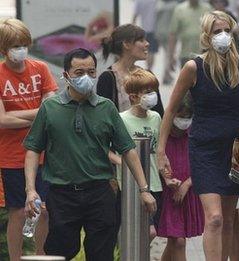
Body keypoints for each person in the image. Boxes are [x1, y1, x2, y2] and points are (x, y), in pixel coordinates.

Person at [23, 48, 156, 261]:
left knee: (101, 254)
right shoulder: (50, 108)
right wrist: (31, 190)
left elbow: (128, 150)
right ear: (66, 75)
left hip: (100, 192)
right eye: (79, 72)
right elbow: (32, 149)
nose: (86, 77)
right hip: (62, 194)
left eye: (91, 71)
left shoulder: (106, 107)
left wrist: (144, 189)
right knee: (60, 252)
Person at [156, 11, 239, 260]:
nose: (223, 36)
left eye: (227, 30)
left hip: (234, 147)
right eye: (217, 31)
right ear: (207, 35)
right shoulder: (194, 67)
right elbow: (170, 108)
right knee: (213, 218)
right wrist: (161, 151)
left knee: (228, 219)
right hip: (204, 147)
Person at [0, 18, 58, 261]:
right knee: (18, 213)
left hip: (45, 154)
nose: (21, 49)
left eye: (24, 43)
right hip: (12, 156)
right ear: (3, 49)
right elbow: (2, 121)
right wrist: (38, 116)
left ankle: (41, 256)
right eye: (15, 45)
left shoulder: (41, 69)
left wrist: (16, 115)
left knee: (45, 211)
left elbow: (52, 107)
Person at [116, 68, 163, 240]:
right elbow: (108, 150)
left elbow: (158, 150)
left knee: (150, 233)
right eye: (147, 92)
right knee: (142, 232)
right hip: (129, 185)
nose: (153, 95)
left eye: (154, 90)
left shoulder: (156, 117)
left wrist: (166, 174)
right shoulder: (120, 119)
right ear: (133, 96)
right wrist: (123, 163)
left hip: (155, 183)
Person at [158, 94, 204, 261]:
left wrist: (186, 184)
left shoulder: (193, 133)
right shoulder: (162, 135)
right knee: (178, 241)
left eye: (187, 117)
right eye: (180, 117)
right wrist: (167, 179)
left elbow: (202, 162)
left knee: (174, 242)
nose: (184, 121)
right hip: (168, 194)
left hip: (187, 192)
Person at [97, 24, 164, 115]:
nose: (147, 44)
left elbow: (159, 114)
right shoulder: (108, 77)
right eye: (141, 40)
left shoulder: (148, 75)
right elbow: (103, 115)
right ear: (126, 44)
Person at [163, 0, 212, 84]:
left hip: (205, 56)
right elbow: (173, 34)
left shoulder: (207, 8)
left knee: (204, 85)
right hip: (186, 56)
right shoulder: (180, 9)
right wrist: (171, 57)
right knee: (186, 86)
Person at [132, 0, 159, 71]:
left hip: (144, 29)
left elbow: (135, 16)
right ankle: (150, 69)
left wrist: (132, 29)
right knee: (152, 51)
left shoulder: (139, 1)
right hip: (154, 29)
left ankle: (148, 68)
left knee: (146, 49)